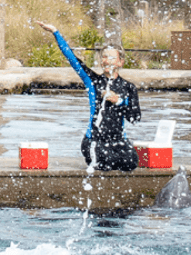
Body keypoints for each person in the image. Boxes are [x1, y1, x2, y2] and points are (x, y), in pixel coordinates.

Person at [37, 22, 140, 171]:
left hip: (118, 141)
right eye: (104, 57)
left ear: (120, 62)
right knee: (105, 162)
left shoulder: (129, 88)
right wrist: (55, 32)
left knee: (131, 162)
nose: (107, 61)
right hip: (94, 140)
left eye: (111, 58)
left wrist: (119, 102)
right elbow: (72, 58)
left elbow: (135, 118)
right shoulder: (92, 80)